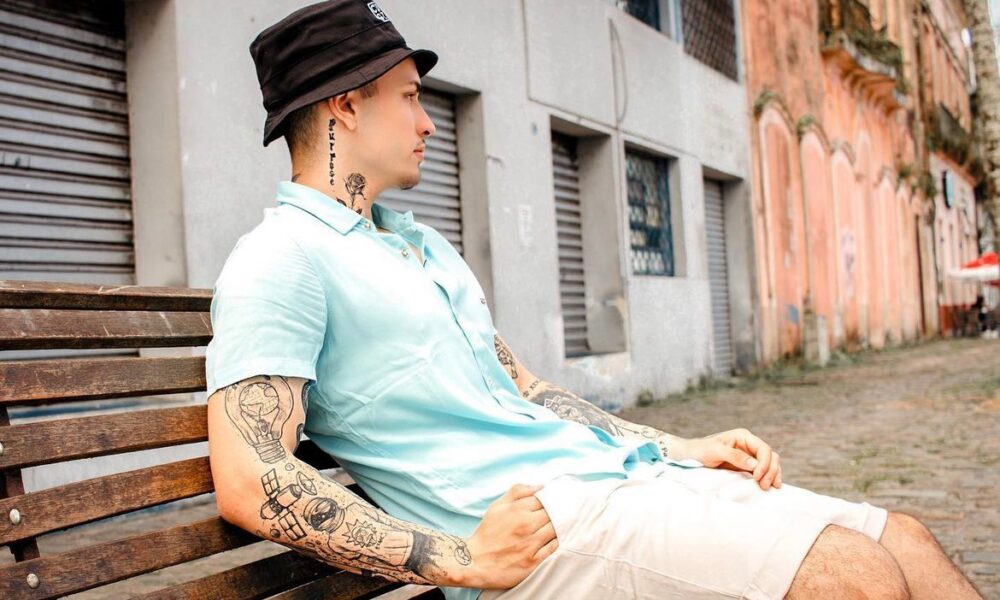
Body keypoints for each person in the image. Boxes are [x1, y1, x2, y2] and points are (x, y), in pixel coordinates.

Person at [205, 2, 984, 598]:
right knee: (852, 575)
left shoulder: (418, 246)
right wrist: (460, 557)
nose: (428, 123)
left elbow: (525, 390)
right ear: (345, 105)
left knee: (904, 540)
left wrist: (675, 446)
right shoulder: (284, 257)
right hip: (540, 531)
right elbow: (249, 477)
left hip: (614, 480)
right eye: (410, 97)